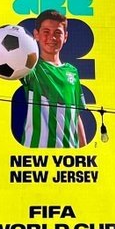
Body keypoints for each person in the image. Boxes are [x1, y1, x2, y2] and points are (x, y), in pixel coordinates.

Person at [21, 10, 88, 148]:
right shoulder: (31, 67)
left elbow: (76, 115)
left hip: (68, 156)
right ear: (36, 35)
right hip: (36, 154)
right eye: (46, 32)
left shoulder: (72, 72)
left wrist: (84, 149)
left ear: (65, 37)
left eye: (58, 33)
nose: (52, 37)